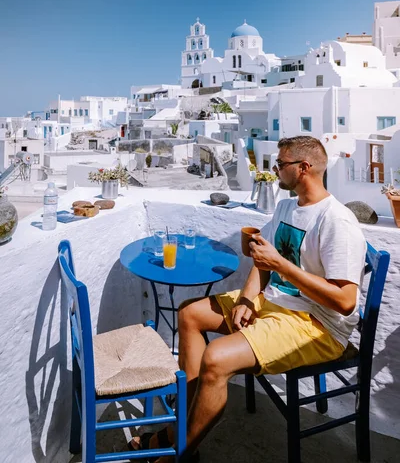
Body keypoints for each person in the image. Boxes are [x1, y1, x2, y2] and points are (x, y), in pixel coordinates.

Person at [134, 135, 367, 462]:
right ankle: (182, 422)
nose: (274, 170)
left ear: (303, 168)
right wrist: (245, 298)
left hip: (316, 326)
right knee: (190, 314)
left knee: (216, 357)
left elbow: (345, 301)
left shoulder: (336, 221)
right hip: (275, 304)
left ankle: (178, 449)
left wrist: (282, 266)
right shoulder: (287, 206)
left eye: (280, 164)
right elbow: (263, 260)